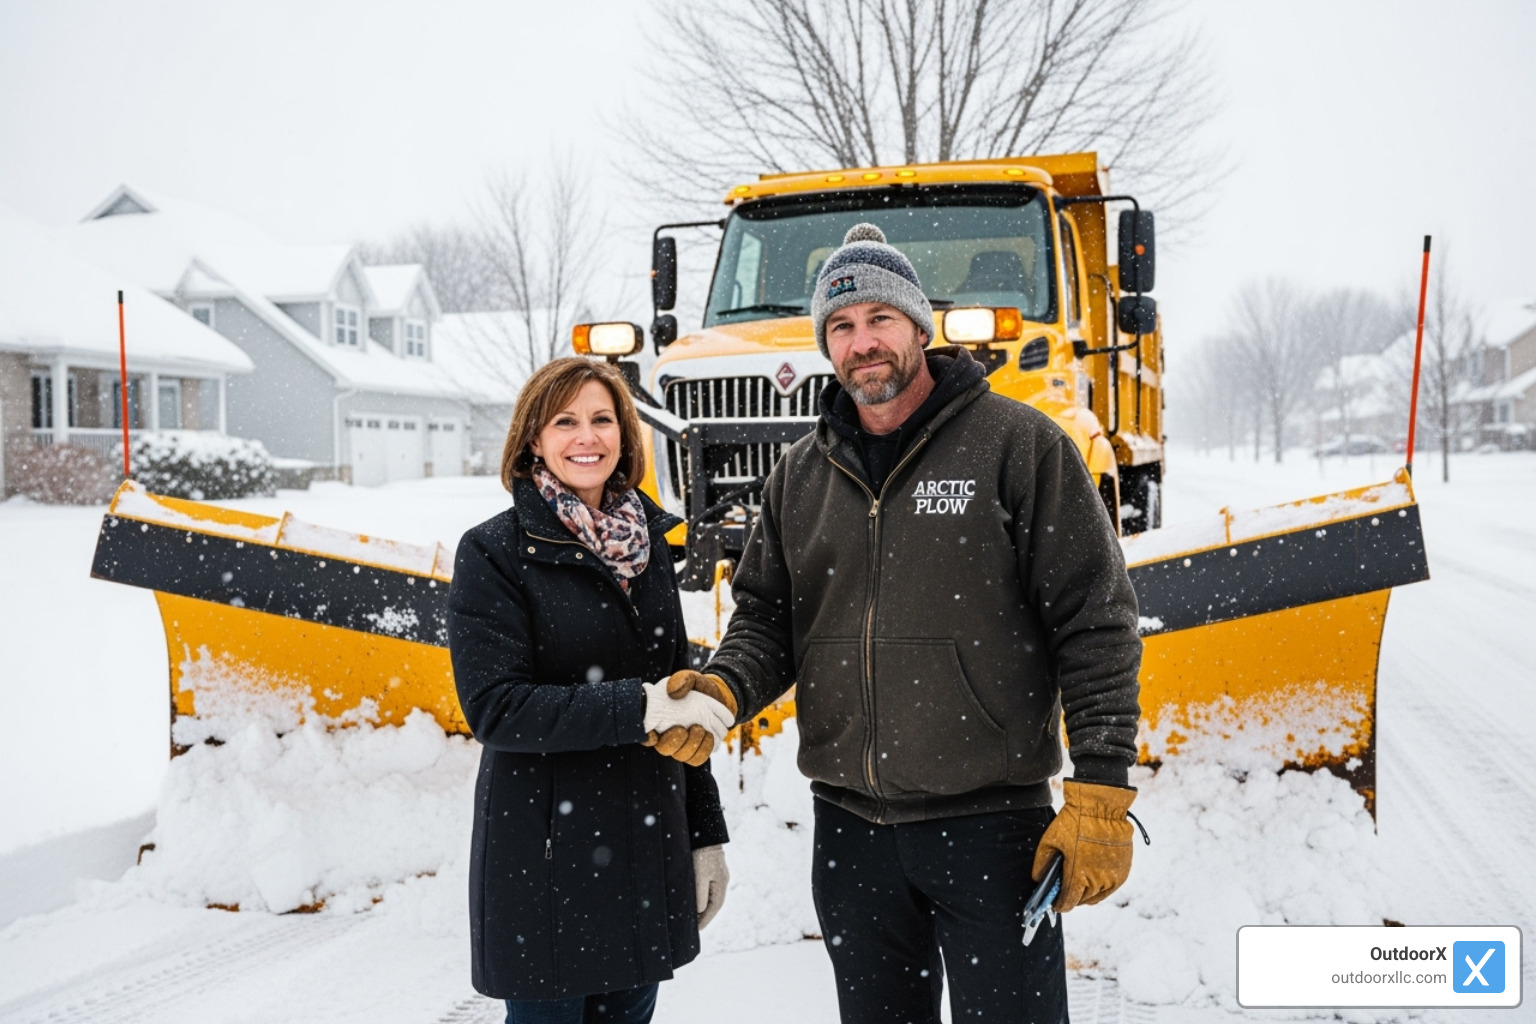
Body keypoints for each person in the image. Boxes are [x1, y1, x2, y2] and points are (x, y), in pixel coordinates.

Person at [669, 224, 1144, 1022]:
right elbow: (767, 621)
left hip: (993, 826)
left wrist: (1099, 792)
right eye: (842, 328)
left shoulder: (1019, 446)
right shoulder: (800, 475)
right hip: (851, 832)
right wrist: (720, 690)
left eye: (880, 320)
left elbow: (1096, 623)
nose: (863, 343)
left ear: (918, 327)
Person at [448, 357, 737, 1024]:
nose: (588, 436)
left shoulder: (652, 549)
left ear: (625, 434)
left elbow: (680, 710)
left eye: (603, 419)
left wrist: (705, 835)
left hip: (644, 849)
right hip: (548, 860)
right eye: (566, 421)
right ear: (533, 440)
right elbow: (498, 709)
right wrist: (640, 706)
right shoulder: (494, 552)